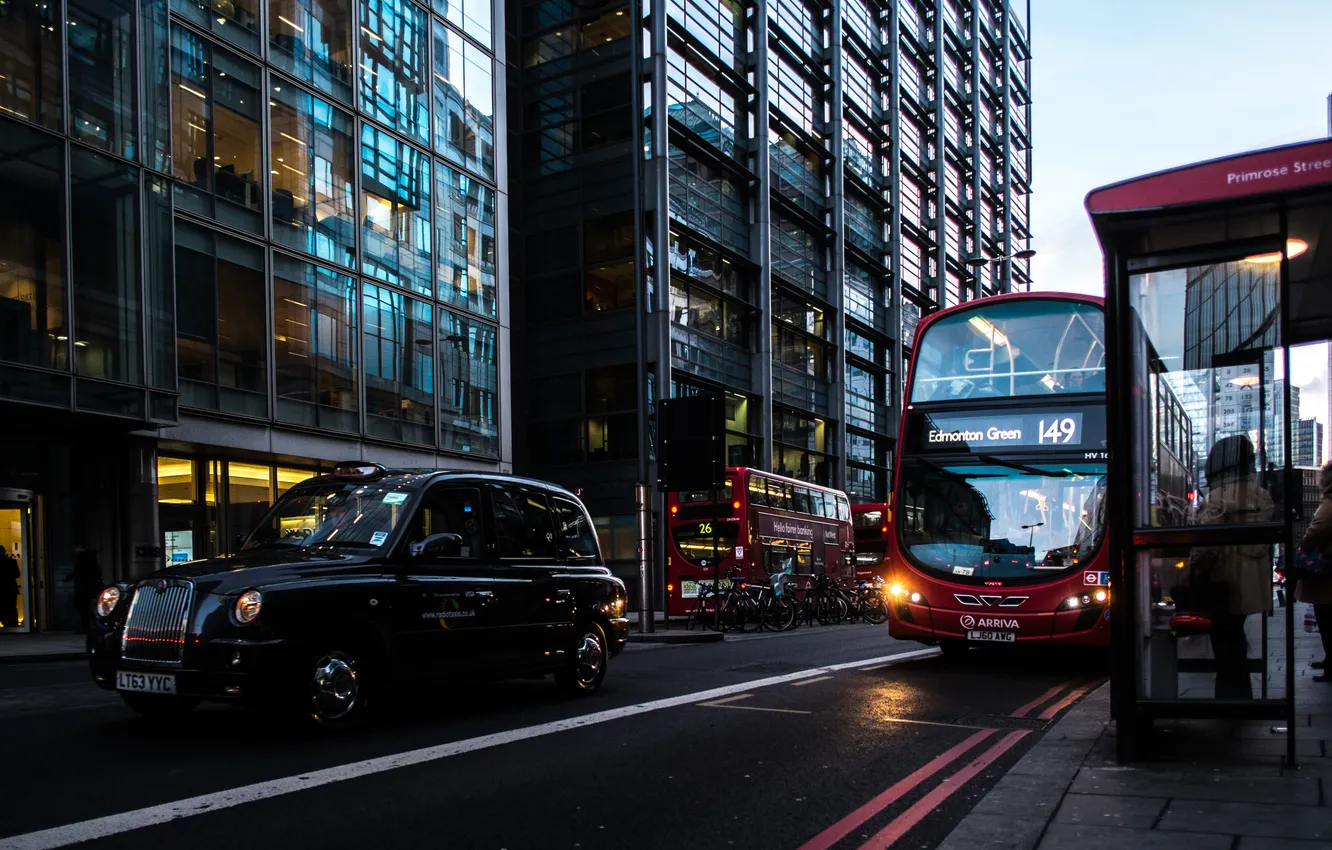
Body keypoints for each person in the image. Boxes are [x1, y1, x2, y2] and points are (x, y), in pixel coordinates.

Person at [1187, 435, 1274, 699]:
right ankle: (1240, 694)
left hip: (1222, 582)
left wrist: (1192, 574)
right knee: (1234, 638)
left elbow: (1205, 546)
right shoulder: (1262, 496)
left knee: (1224, 644)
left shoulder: (1218, 498)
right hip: (1250, 583)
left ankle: (1229, 699)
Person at [1294, 460, 1332, 682]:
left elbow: (1316, 530)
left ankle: (1331, 666)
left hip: (1327, 573)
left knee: (1327, 620)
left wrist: (1303, 547)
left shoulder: (1328, 505)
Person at [65, 547, 104, 635]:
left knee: (84, 608)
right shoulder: (90, 560)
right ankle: (89, 626)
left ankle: (87, 627)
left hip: (84, 588)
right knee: (85, 608)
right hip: (88, 588)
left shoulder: (83, 560)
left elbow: (78, 572)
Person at [0, 545, 19, 628]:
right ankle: (12, 623)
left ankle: (8, 622)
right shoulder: (11, 561)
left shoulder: (11, 562)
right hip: (10, 587)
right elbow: (17, 574)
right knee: (11, 606)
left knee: (5, 606)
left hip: (6, 588)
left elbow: (17, 574)